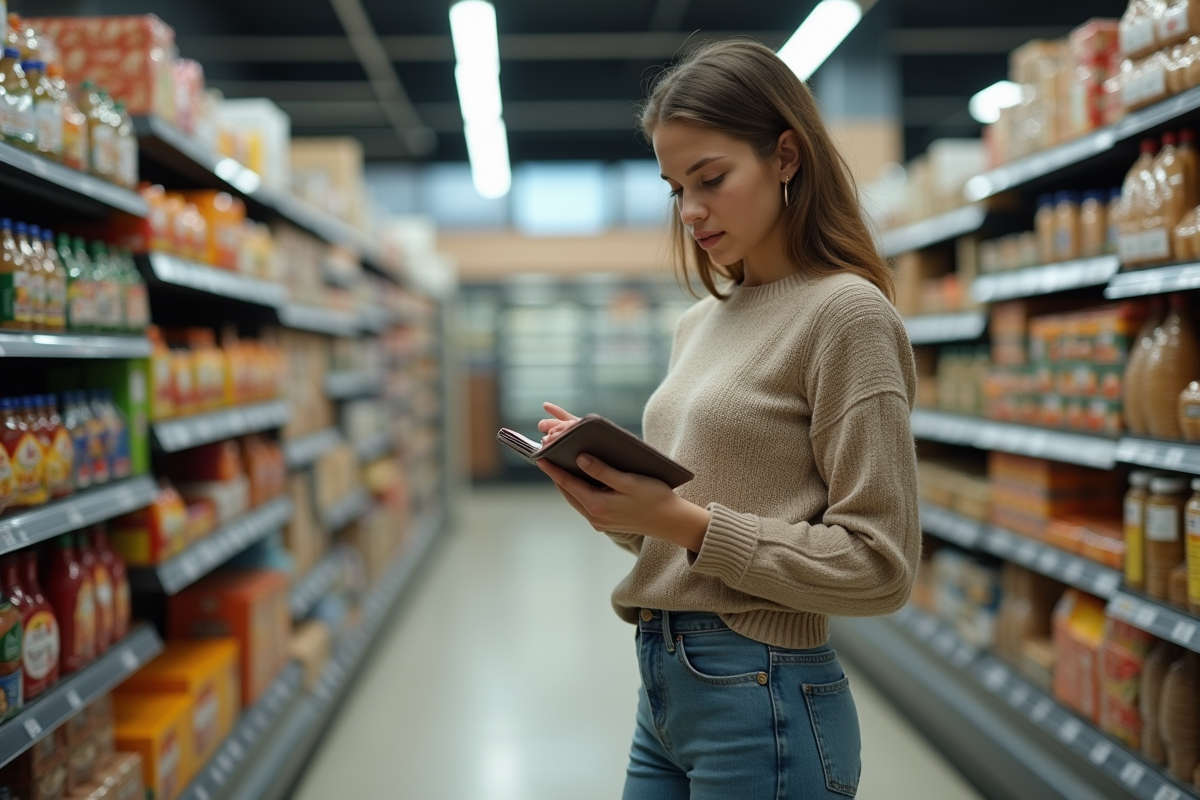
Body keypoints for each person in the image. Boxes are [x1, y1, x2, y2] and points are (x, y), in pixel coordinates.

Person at [535, 39, 919, 799]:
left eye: (710, 178)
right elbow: (687, 521)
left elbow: (880, 567)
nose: (691, 211)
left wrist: (682, 523)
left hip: (763, 694)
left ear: (785, 156)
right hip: (665, 684)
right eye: (675, 187)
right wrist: (614, 499)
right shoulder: (700, 322)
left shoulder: (846, 314)